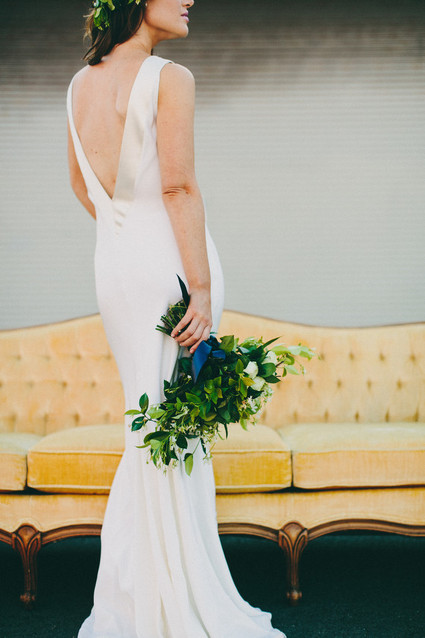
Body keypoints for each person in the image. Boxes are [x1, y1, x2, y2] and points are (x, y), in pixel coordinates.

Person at [67, 0, 287, 636]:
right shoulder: (169, 77)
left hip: (116, 267)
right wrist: (202, 288)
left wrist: (124, 230)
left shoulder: (79, 83)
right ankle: (172, 603)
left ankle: (136, 598)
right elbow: (179, 187)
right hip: (169, 271)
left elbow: (80, 185)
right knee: (175, 431)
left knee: (149, 424)